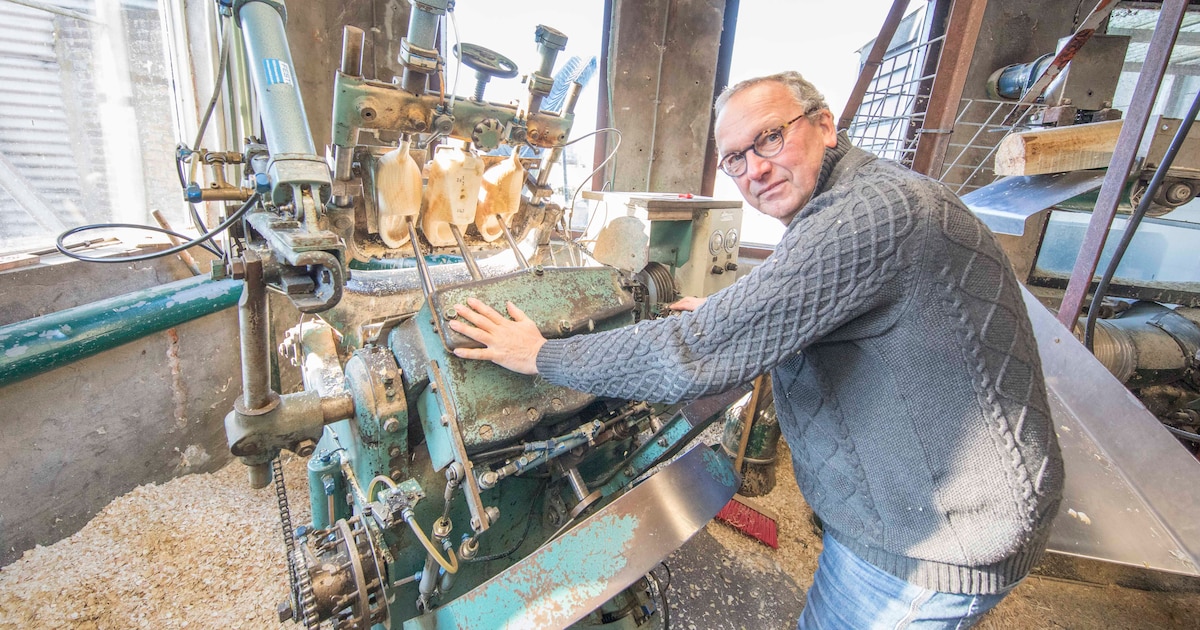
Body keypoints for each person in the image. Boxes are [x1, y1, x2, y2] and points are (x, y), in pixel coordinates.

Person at [448, 71, 1064, 628]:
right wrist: (734, 315)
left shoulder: (871, 214)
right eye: (735, 160)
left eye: (769, 139)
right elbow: (817, 300)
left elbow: (690, 354)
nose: (755, 170)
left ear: (825, 126)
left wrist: (540, 355)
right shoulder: (869, 197)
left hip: (933, 540)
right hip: (927, 509)